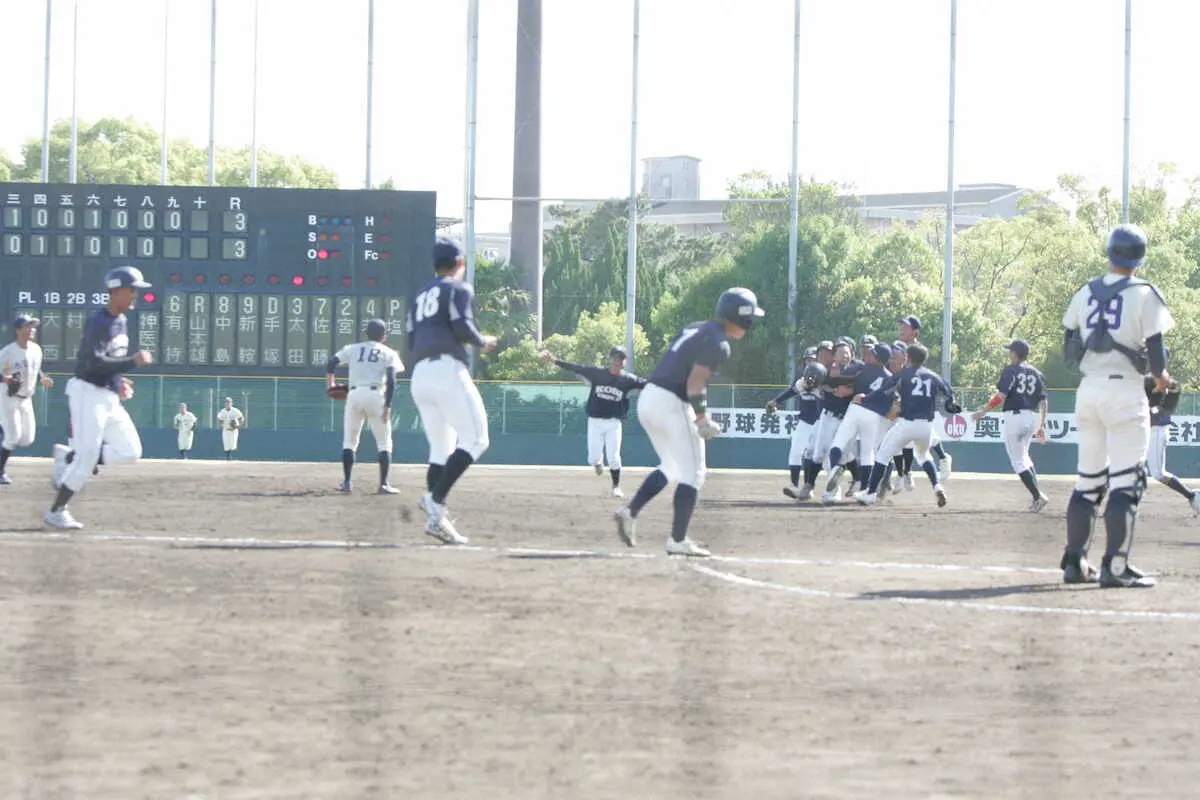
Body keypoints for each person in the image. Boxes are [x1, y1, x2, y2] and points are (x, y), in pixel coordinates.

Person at [1060, 223, 1173, 588]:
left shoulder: (1085, 291)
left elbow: (1069, 344)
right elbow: (1156, 351)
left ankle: (1075, 563)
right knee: (1128, 482)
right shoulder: (1144, 293)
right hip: (1124, 391)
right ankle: (1116, 567)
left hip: (1088, 391)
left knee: (1088, 481)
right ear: (1140, 258)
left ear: (1109, 253)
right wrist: (1161, 379)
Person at [613, 287, 764, 557]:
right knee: (695, 473)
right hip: (671, 403)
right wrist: (702, 419)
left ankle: (630, 511)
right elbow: (695, 383)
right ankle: (677, 539)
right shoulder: (719, 343)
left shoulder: (695, 328)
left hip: (649, 398)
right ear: (740, 316)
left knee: (672, 466)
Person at [45, 266, 154, 530]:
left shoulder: (121, 321)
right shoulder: (99, 322)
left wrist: (118, 382)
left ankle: (69, 458)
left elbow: (110, 361)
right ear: (115, 291)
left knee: (130, 451)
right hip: (87, 393)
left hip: (106, 395)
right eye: (131, 290)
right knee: (88, 457)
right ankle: (57, 510)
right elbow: (93, 362)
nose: (134, 296)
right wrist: (132, 363)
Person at [406, 238, 497, 545]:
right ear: (459, 263)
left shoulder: (419, 295)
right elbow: (462, 327)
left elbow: (410, 338)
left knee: (440, 450)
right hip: (446, 370)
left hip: (420, 375)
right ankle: (436, 500)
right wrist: (482, 340)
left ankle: (436, 521)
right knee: (477, 438)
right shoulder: (458, 289)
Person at [854, 342, 958, 508]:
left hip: (906, 424)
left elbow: (884, 390)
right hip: (926, 427)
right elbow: (949, 392)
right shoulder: (933, 375)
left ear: (907, 357)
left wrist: (865, 399)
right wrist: (952, 402)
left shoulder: (904, 374)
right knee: (924, 456)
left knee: (882, 455)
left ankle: (871, 493)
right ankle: (937, 486)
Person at [541, 345, 647, 498]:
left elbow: (648, 384)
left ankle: (616, 487)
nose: (618, 361)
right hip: (595, 422)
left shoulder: (627, 380)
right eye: (616, 357)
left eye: (622, 358)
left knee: (614, 457)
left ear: (625, 362)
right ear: (610, 359)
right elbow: (575, 367)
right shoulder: (597, 373)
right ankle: (597, 463)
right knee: (593, 459)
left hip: (614, 423)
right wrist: (554, 360)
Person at [325, 317, 403, 494]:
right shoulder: (389, 353)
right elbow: (392, 381)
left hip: (354, 394)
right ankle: (383, 484)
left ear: (367, 334)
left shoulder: (353, 349)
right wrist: (388, 406)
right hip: (376, 394)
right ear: (384, 336)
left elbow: (332, 362)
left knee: (350, 441)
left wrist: (330, 384)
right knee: (384, 442)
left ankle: (346, 483)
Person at [971, 340, 1050, 512]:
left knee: (1017, 462)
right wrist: (1041, 424)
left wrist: (983, 411)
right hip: (1032, 417)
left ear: (1015, 353)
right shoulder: (1037, 373)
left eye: (1010, 351)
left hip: (1015, 417)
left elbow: (1002, 395)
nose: (1009, 354)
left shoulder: (1011, 370)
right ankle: (1036, 497)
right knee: (1025, 458)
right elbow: (1044, 401)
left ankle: (1038, 496)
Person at [896, 315, 953, 479]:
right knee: (907, 435)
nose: (902, 328)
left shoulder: (918, 351)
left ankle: (941, 458)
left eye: (905, 326)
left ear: (915, 331)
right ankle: (908, 472)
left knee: (919, 431)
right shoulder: (899, 347)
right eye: (901, 325)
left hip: (919, 399)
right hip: (904, 397)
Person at [0, 314, 53, 484]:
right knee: (12, 437)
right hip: (9, 396)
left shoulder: (36, 349)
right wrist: (5, 379)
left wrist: (43, 378)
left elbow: (36, 369)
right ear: (18, 330)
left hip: (26, 398)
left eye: (33, 326)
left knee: (27, 439)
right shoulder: (7, 352)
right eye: (27, 326)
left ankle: (2, 428)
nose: (31, 329)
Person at [766, 347, 822, 498]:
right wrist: (776, 401)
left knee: (818, 456)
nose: (810, 363)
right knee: (796, 451)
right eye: (808, 360)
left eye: (813, 360)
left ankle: (816, 488)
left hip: (821, 423)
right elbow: (792, 391)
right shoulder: (801, 379)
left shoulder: (825, 378)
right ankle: (795, 485)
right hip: (804, 420)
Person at [1144, 374, 1200, 515]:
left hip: (1156, 430)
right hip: (1147, 429)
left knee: (1158, 474)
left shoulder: (1154, 379)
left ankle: (1193, 496)